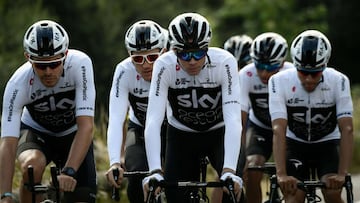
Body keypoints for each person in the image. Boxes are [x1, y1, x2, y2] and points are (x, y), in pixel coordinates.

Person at [142, 12, 243, 203]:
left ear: (208, 47)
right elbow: (154, 119)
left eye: (199, 52)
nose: (192, 60)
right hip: (181, 135)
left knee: (234, 190)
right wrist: (155, 170)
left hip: (218, 133)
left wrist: (229, 170)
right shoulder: (164, 65)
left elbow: (233, 118)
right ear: (172, 50)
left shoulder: (225, 62)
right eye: (183, 53)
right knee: (173, 195)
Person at [0, 20, 97, 203]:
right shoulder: (17, 84)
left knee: (82, 197)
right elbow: (8, 142)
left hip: (73, 133)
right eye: (40, 65)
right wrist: (5, 195)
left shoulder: (81, 65)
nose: (48, 72)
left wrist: (69, 171)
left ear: (65, 55)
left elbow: (86, 127)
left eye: (54, 64)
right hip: (37, 132)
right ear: (28, 58)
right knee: (31, 165)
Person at [269, 30, 354, 203]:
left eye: (315, 73)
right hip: (295, 144)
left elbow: (347, 128)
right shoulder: (278, 81)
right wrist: (281, 174)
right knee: (294, 197)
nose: (308, 79)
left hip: (327, 143)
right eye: (302, 72)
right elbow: (278, 129)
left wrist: (342, 174)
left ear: (324, 66)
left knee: (332, 193)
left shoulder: (339, 81)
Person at [105, 20, 168, 203]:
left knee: (177, 177)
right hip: (140, 128)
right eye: (138, 59)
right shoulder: (124, 71)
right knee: (136, 175)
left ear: (164, 52)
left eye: (152, 57)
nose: (146, 65)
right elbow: (116, 119)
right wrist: (115, 161)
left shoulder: (174, 67)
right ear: (129, 55)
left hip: (172, 130)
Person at [239, 32, 293, 203]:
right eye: (259, 65)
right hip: (260, 126)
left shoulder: (292, 74)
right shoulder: (246, 75)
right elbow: (240, 120)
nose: (263, 73)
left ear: (283, 62)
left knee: (292, 176)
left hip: (290, 129)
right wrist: (241, 158)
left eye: (270, 68)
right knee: (252, 169)